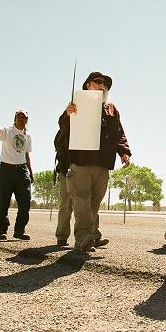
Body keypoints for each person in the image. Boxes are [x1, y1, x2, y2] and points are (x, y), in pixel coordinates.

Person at [58, 72, 132, 253]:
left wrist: (124, 152)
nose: (103, 85)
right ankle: (83, 238)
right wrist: (68, 114)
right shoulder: (77, 104)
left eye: (106, 83)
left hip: (103, 162)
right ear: (88, 84)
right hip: (81, 161)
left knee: (94, 202)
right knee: (81, 199)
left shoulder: (112, 108)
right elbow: (63, 126)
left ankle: (92, 235)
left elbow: (119, 133)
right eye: (98, 82)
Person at [0, 107, 33, 240]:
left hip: (22, 171)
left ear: (26, 120)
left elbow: (27, 155)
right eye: (19, 117)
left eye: (23, 117)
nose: (21, 119)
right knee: (3, 203)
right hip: (5, 171)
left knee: (25, 202)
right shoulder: (7, 131)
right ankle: (2, 231)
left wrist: (31, 172)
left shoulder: (27, 136)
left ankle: (19, 231)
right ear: (15, 119)